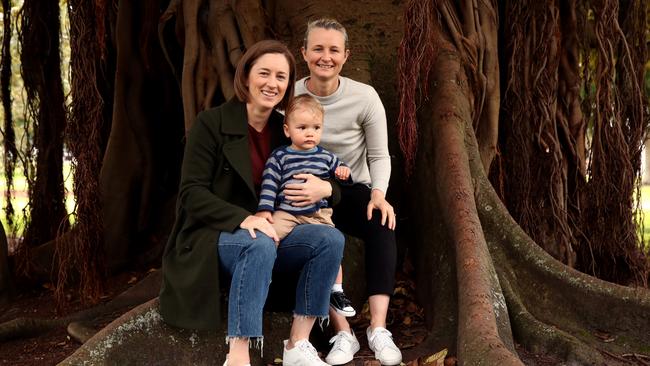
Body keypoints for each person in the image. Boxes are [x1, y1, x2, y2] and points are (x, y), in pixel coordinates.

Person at [159, 40, 344, 366]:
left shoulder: (285, 129)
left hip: (275, 234)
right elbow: (191, 192)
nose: (272, 83)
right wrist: (245, 219)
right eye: (264, 73)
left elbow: (326, 173)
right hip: (214, 236)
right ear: (245, 77)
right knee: (257, 243)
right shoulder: (211, 123)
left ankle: (298, 345)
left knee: (329, 239)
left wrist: (326, 188)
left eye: (281, 77)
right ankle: (239, 355)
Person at [292, 18, 402, 365]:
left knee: (382, 225)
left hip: (354, 188)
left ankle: (379, 329)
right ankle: (343, 333)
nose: (326, 57)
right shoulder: (291, 94)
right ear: (304, 52)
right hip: (309, 193)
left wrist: (379, 193)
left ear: (346, 56)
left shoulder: (364, 96)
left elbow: (379, 154)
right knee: (319, 239)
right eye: (318, 49)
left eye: (334, 50)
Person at [255, 94, 356, 318]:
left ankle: (336, 291)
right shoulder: (279, 157)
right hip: (287, 213)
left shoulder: (326, 157)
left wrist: (343, 172)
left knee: (333, 245)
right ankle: (264, 272)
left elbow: (344, 176)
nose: (310, 133)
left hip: (317, 213)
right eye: (302, 127)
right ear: (287, 130)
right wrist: (264, 210)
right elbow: (270, 184)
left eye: (316, 127)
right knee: (269, 237)